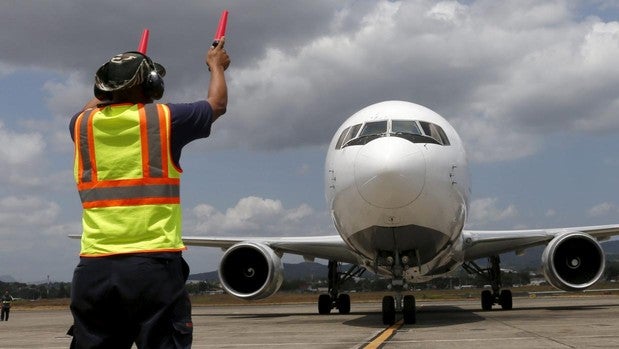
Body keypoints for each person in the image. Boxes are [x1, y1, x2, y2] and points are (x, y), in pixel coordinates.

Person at [68, 37, 230, 348]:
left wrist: (114, 85)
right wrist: (216, 66)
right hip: (151, 267)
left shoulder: (80, 125)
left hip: (93, 269)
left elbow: (92, 105)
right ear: (153, 85)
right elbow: (217, 105)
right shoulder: (164, 119)